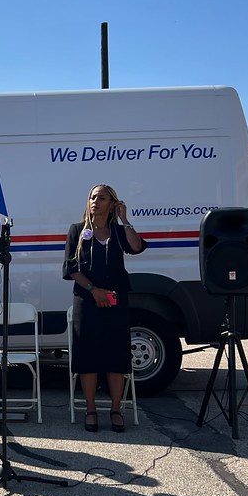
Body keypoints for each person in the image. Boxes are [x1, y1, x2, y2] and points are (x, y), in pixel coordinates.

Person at [63, 184, 146, 432]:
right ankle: (90, 410)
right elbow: (71, 268)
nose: (95, 201)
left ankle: (116, 409)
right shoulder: (77, 230)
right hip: (87, 302)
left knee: (115, 357)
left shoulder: (119, 232)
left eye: (101, 197)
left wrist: (124, 219)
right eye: (92, 197)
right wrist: (93, 290)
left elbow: (137, 247)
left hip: (115, 303)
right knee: (87, 357)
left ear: (112, 203)